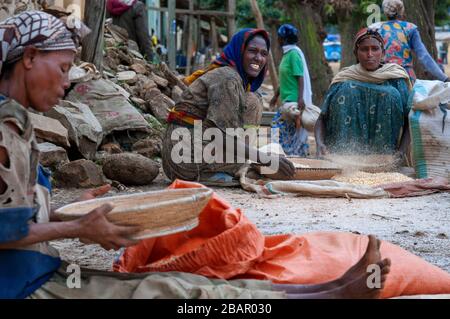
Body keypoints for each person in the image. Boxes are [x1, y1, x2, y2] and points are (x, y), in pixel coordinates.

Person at [0, 13, 391, 299]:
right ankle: (328, 295)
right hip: (24, 283)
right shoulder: (225, 77)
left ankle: (326, 290)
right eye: (65, 68)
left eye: (262, 52)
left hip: (35, 272)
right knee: (175, 294)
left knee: (184, 287)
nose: (69, 82)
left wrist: (61, 212)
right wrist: (76, 228)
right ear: (30, 57)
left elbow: (13, 213)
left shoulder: (19, 120)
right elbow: (221, 133)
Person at [162, 29, 296, 186]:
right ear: (239, 51)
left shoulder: (234, 78)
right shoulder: (227, 79)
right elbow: (219, 137)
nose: (258, 58)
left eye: (263, 53)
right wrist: (265, 159)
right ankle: (209, 172)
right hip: (185, 161)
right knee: (259, 163)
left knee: (253, 100)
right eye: (252, 51)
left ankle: (232, 164)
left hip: (182, 153)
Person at [315, 28, 413, 158]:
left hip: (385, 161)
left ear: (383, 52)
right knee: (346, 89)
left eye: (375, 49)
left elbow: (410, 120)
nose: (370, 54)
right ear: (356, 53)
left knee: (390, 93)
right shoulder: (343, 79)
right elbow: (322, 118)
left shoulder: (396, 79)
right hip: (344, 160)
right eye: (364, 49)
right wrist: (320, 144)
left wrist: (401, 152)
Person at [371, 0, 449, 83]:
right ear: (401, 10)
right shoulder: (410, 28)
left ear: (385, 12)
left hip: (382, 76)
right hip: (405, 77)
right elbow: (424, 56)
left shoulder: (376, 29)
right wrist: (444, 78)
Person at [270, 24, 312, 156]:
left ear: (283, 39)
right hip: (286, 100)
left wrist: (300, 98)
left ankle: (287, 155)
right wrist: (275, 96)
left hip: (293, 101)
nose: (277, 39)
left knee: (276, 127)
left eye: (279, 37)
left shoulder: (294, 54)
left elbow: (300, 77)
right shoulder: (287, 54)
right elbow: (285, 79)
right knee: (288, 131)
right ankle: (292, 156)